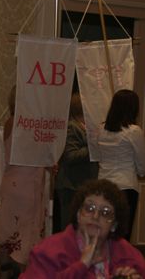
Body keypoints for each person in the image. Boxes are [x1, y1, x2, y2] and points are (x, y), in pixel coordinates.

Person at [21, 178, 145, 278]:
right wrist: (81, 266)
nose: (95, 216)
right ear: (78, 215)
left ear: (114, 225)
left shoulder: (129, 256)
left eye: (105, 212)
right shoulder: (49, 251)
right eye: (89, 208)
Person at [0, 86, 46, 278]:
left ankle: (6, 274)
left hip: (17, 185)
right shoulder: (27, 124)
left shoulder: (11, 122)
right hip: (26, 187)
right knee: (24, 238)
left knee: (10, 235)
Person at [97, 89, 145, 240]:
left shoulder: (101, 129)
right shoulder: (133, 131)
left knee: (104, 233)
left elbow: (100, 157)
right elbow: (141, 164)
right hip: (126, 186)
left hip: (103, 185)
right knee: (122, 236)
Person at [55, 92, 98, 231]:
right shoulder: (72, 127)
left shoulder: (83, 127)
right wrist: (92, 148)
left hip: (79, 186)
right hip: (70, 186)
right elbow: (70, 156)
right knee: (69, 228)